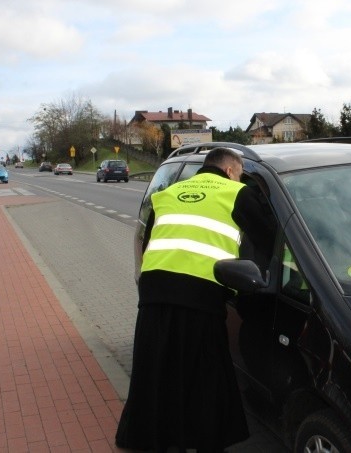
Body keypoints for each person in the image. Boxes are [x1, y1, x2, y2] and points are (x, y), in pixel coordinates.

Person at [116, 147, 275, 453]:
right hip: (201, 294)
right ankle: (202, 442)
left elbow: (150, 242)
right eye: (240, 173)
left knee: (156, 372)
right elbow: (268, 237)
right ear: (230, 170)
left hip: (154, 292)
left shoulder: (170, 191)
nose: (239, 178)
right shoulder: (235, 192)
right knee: (204, 378)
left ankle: (146, 439)